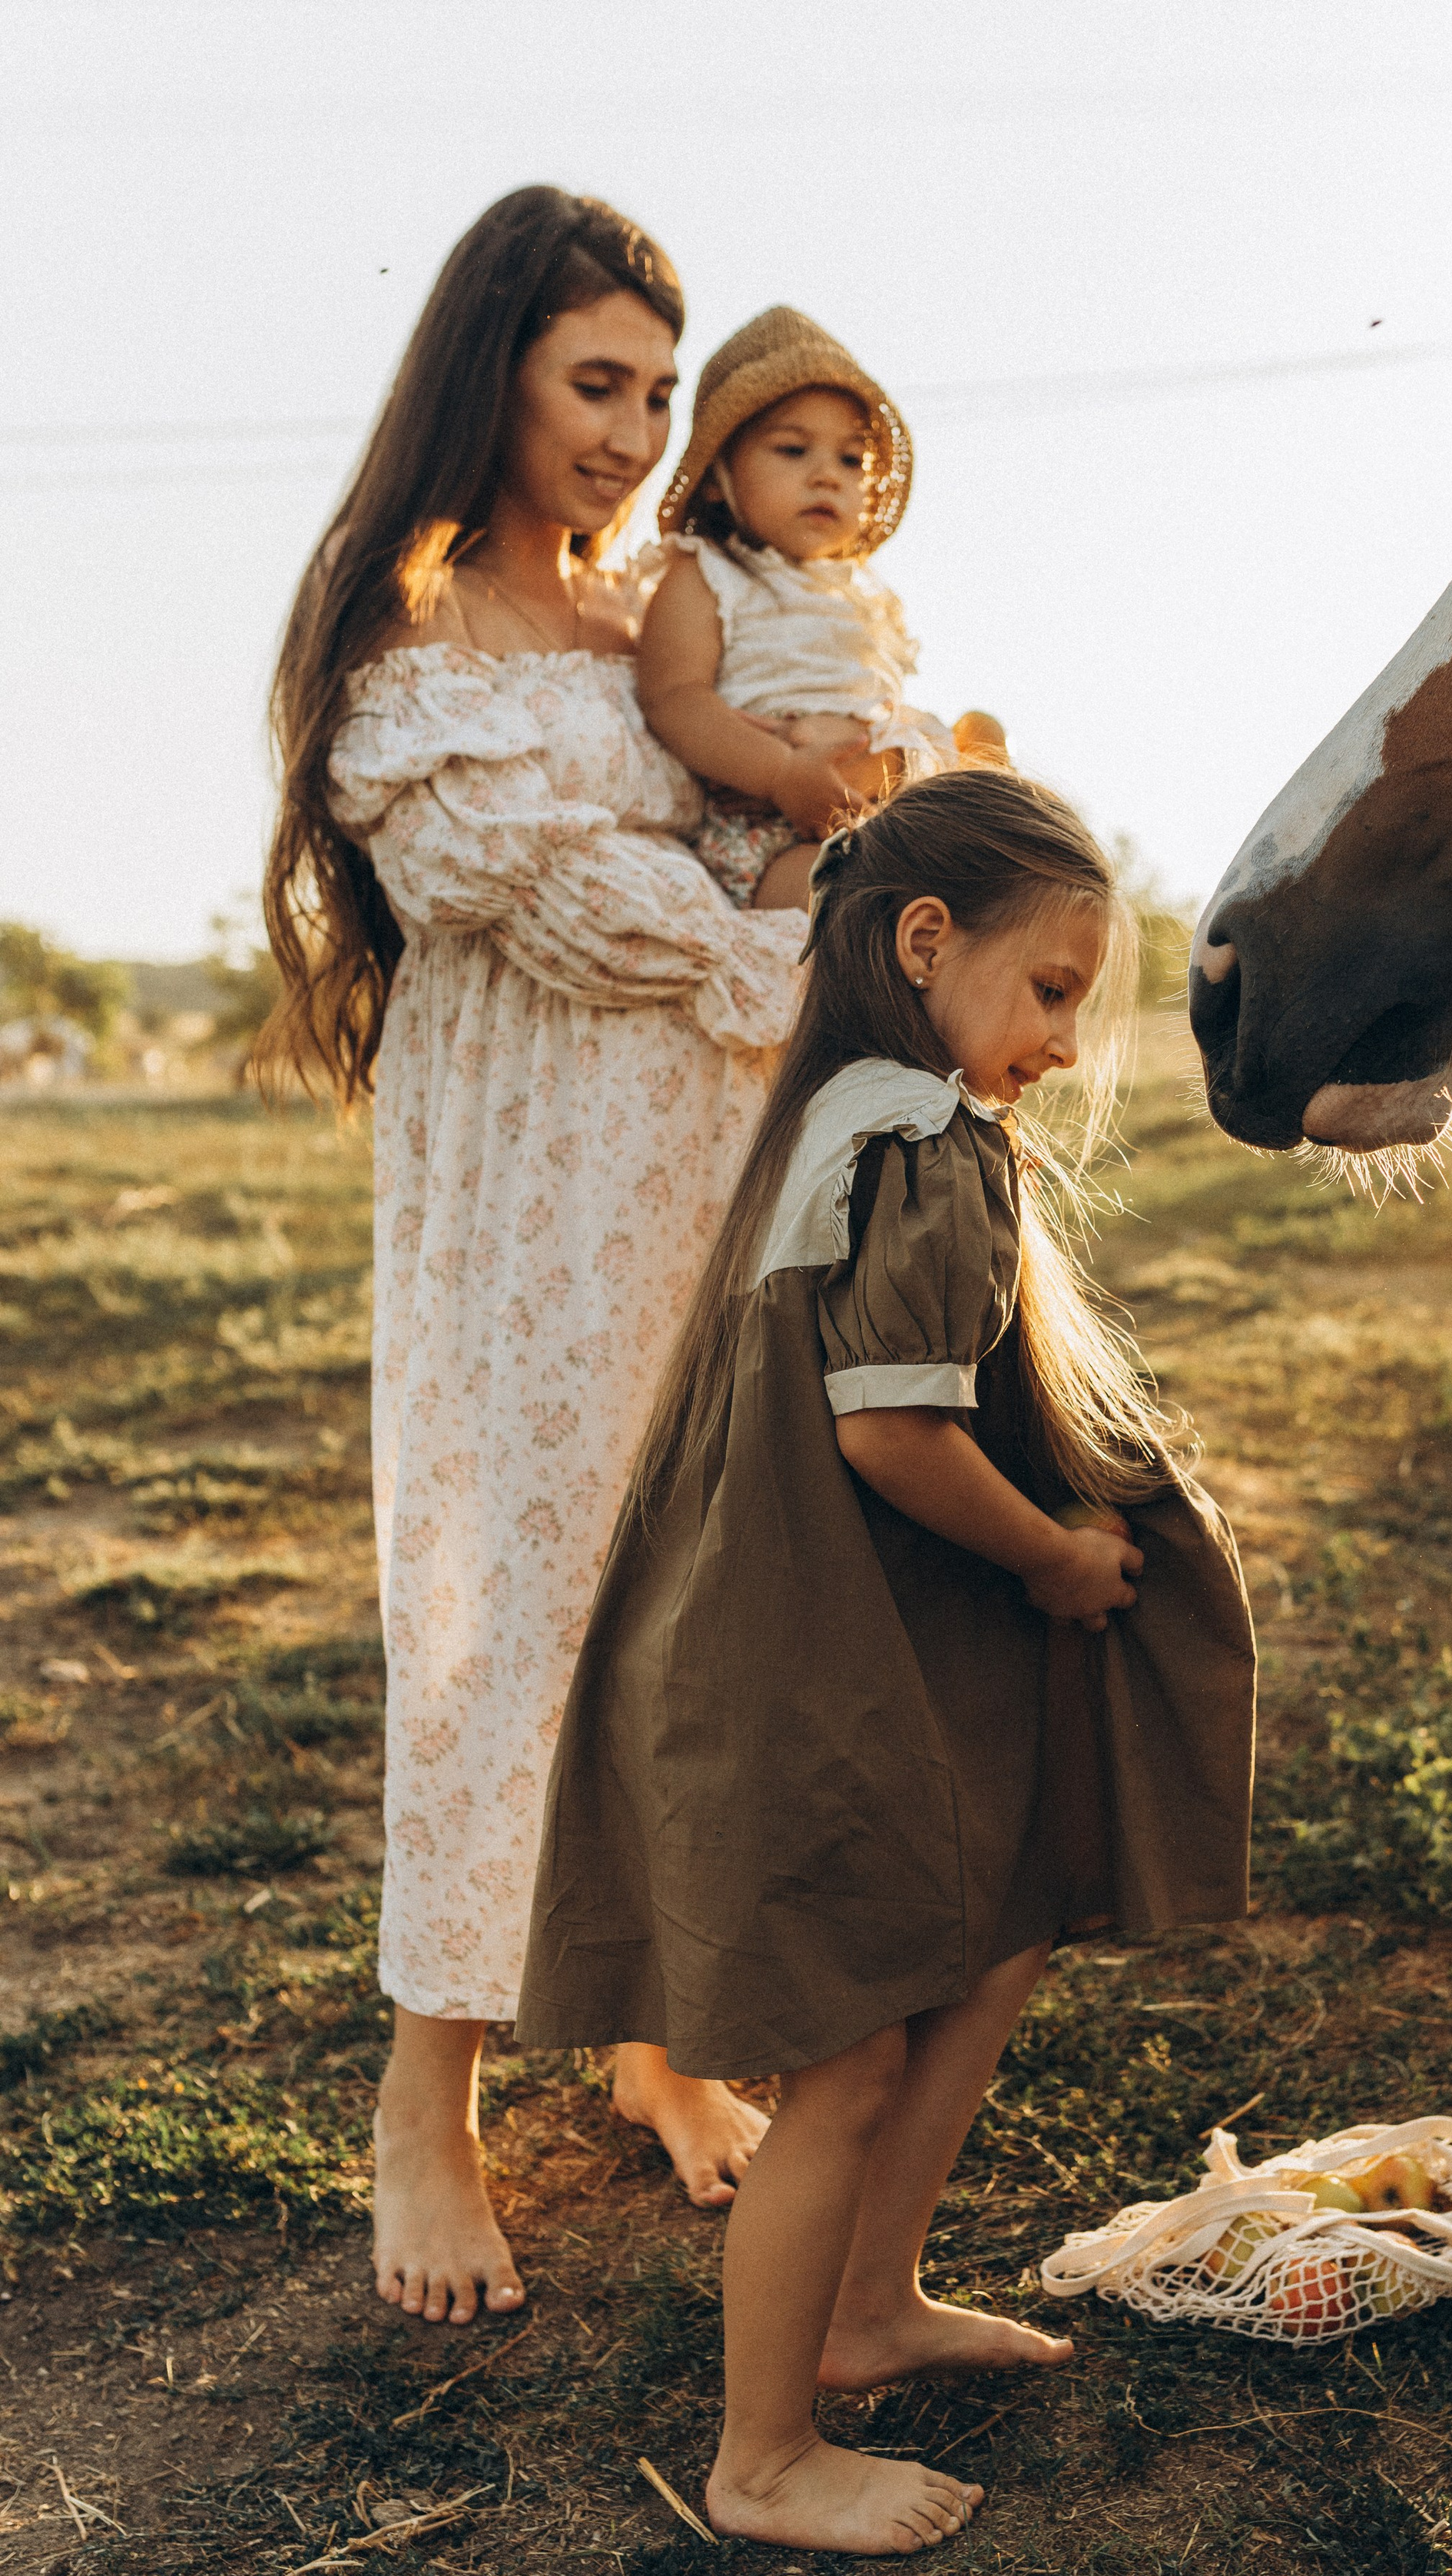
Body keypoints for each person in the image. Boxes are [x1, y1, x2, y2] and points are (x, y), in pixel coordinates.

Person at [519, 770, 1256, 2553]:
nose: (1067, 1044)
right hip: (789, 1673)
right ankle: (760, 2453)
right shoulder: (920, 1137)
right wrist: (1063, 1554)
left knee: (990, 1940)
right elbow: (890, 1433)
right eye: (1054, 989)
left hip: (785, 1642)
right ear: (925, 943)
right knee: (836, 2062)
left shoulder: (824, 1116)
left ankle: (869, 2303)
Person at [260, 188, 813, 2327]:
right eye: (598, 383)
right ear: (489, 370)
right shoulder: (402, 646)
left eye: (660, 395)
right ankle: (430, 2097)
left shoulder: (669, 614)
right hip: (522, 1207)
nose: (630, 430)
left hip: (701, 1172)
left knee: (687, 1604)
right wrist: (779, 944)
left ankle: (657, 2025)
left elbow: (760, 822)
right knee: (505, 1610)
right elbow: (564, 900)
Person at [636, 307, 992, 915]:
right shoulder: (706, 572)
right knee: (851, 907)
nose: (827, 475)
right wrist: (780, 773)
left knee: (974, 744)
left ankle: (983, 817)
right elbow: (673, 697)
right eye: (794, 450)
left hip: (876, 804)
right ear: (719, 476)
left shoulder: (854, 589)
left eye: (851, 460)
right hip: (769, 824)